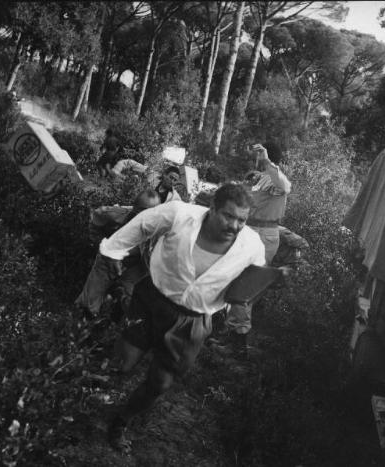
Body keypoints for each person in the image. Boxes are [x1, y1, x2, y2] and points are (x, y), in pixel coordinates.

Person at [100, 183, 265, 452]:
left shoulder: (252, 246)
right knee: (123, 362)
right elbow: (142, 223)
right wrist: (113, 252)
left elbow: (250, 283)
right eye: (228, 216)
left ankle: (121, 420)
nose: (234, 225)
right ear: (212, 208)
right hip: (151, 300)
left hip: (193, 321)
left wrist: (266, 284)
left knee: (160, 383)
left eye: (242, 220)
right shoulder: (179, 214)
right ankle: (89, 397)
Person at [221, 141, 291, 353]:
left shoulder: (276, 177)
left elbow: (285, 187)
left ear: (270, 155)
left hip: (263, 234)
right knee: (237, 281)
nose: (258, 157)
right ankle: (234, 334)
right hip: (251, 232)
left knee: (244, 284)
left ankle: (238, 344)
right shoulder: (261, 178)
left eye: (262, 154)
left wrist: (268, 161)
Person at [75, 189, 160, 319]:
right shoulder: (114, 214)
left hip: (137, 265)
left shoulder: (159, 229)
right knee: (89, 302)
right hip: (109, 259)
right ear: (135, 209)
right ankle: (82, 321)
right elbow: (95, 219)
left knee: (129, 303)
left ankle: (114, 321)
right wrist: (103, 245)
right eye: (143, 212)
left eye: (152, 213)